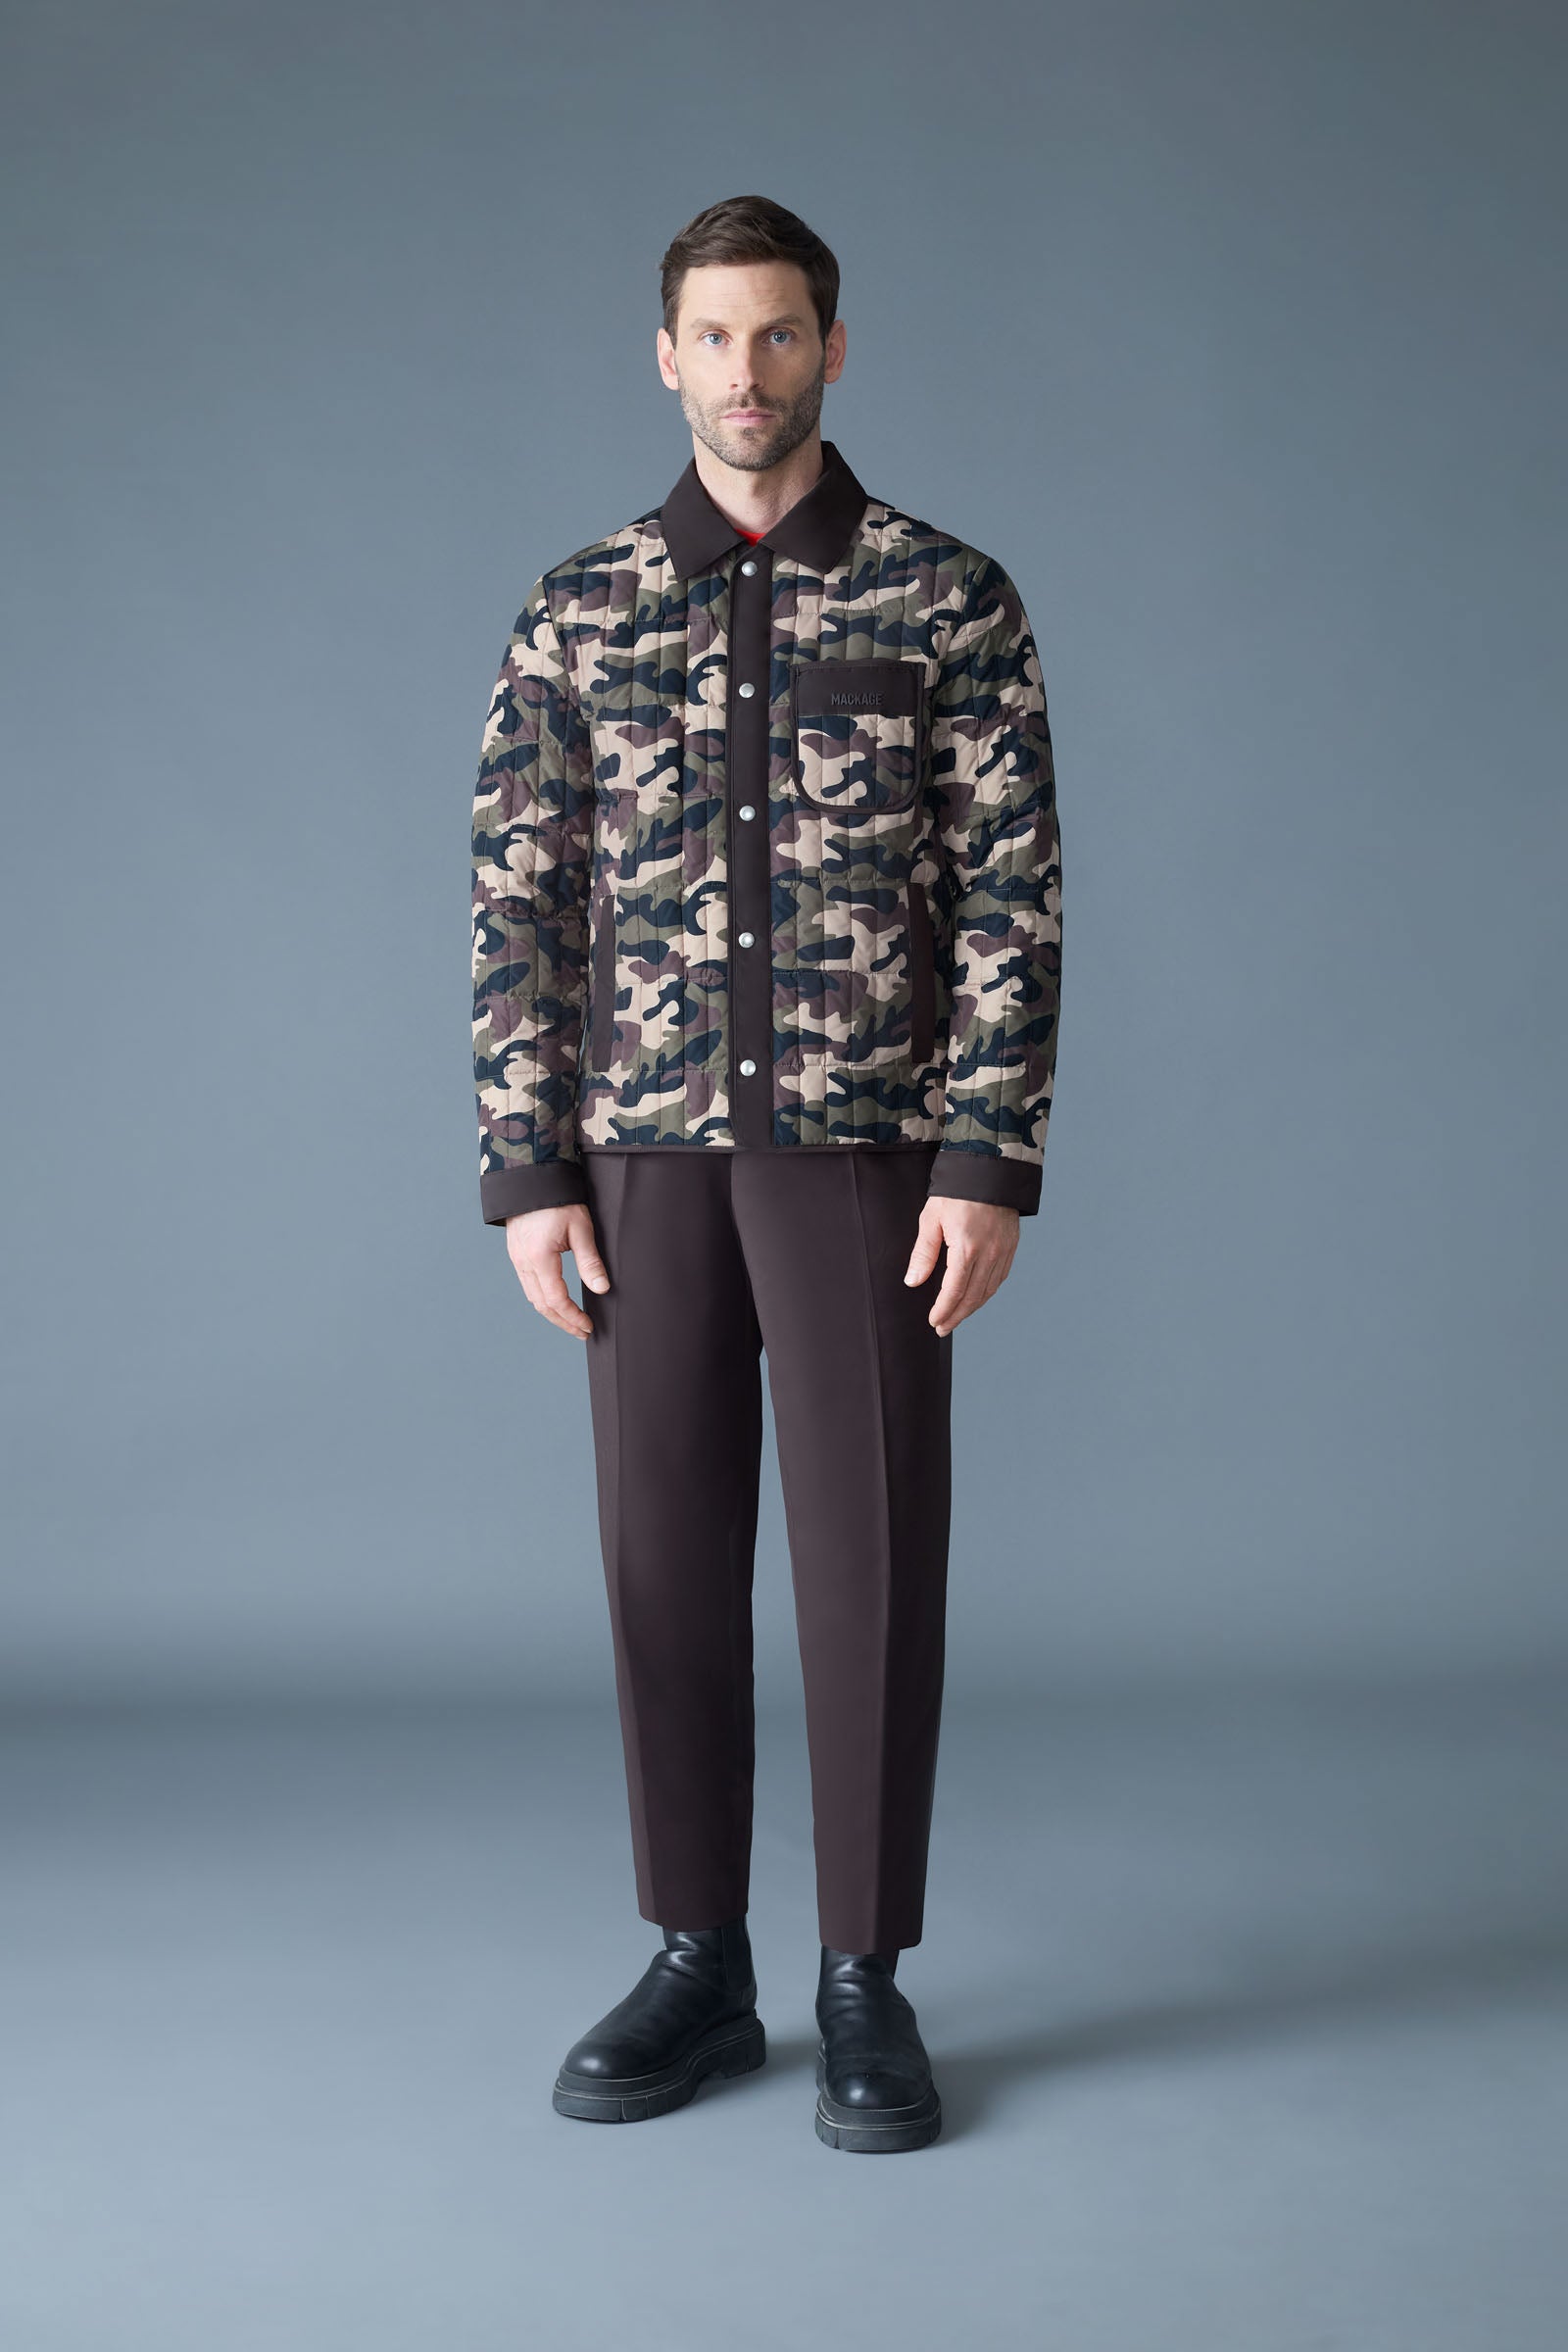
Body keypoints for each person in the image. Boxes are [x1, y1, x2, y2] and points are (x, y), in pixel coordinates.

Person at [469, 193, 1062, 2152]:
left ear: (833, 349)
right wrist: (527, 1165)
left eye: (779, 333)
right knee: (660, 1557)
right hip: (637, 1157)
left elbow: (1009, 894)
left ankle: (861, 1975)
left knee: (870, 1562)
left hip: (863, 1155)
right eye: (712, 337)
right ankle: (697, 1958)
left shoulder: (944, 598)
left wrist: (984, 1155)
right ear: (666, 357)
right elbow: (521, 896)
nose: (746, 371)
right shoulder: (580, 607)